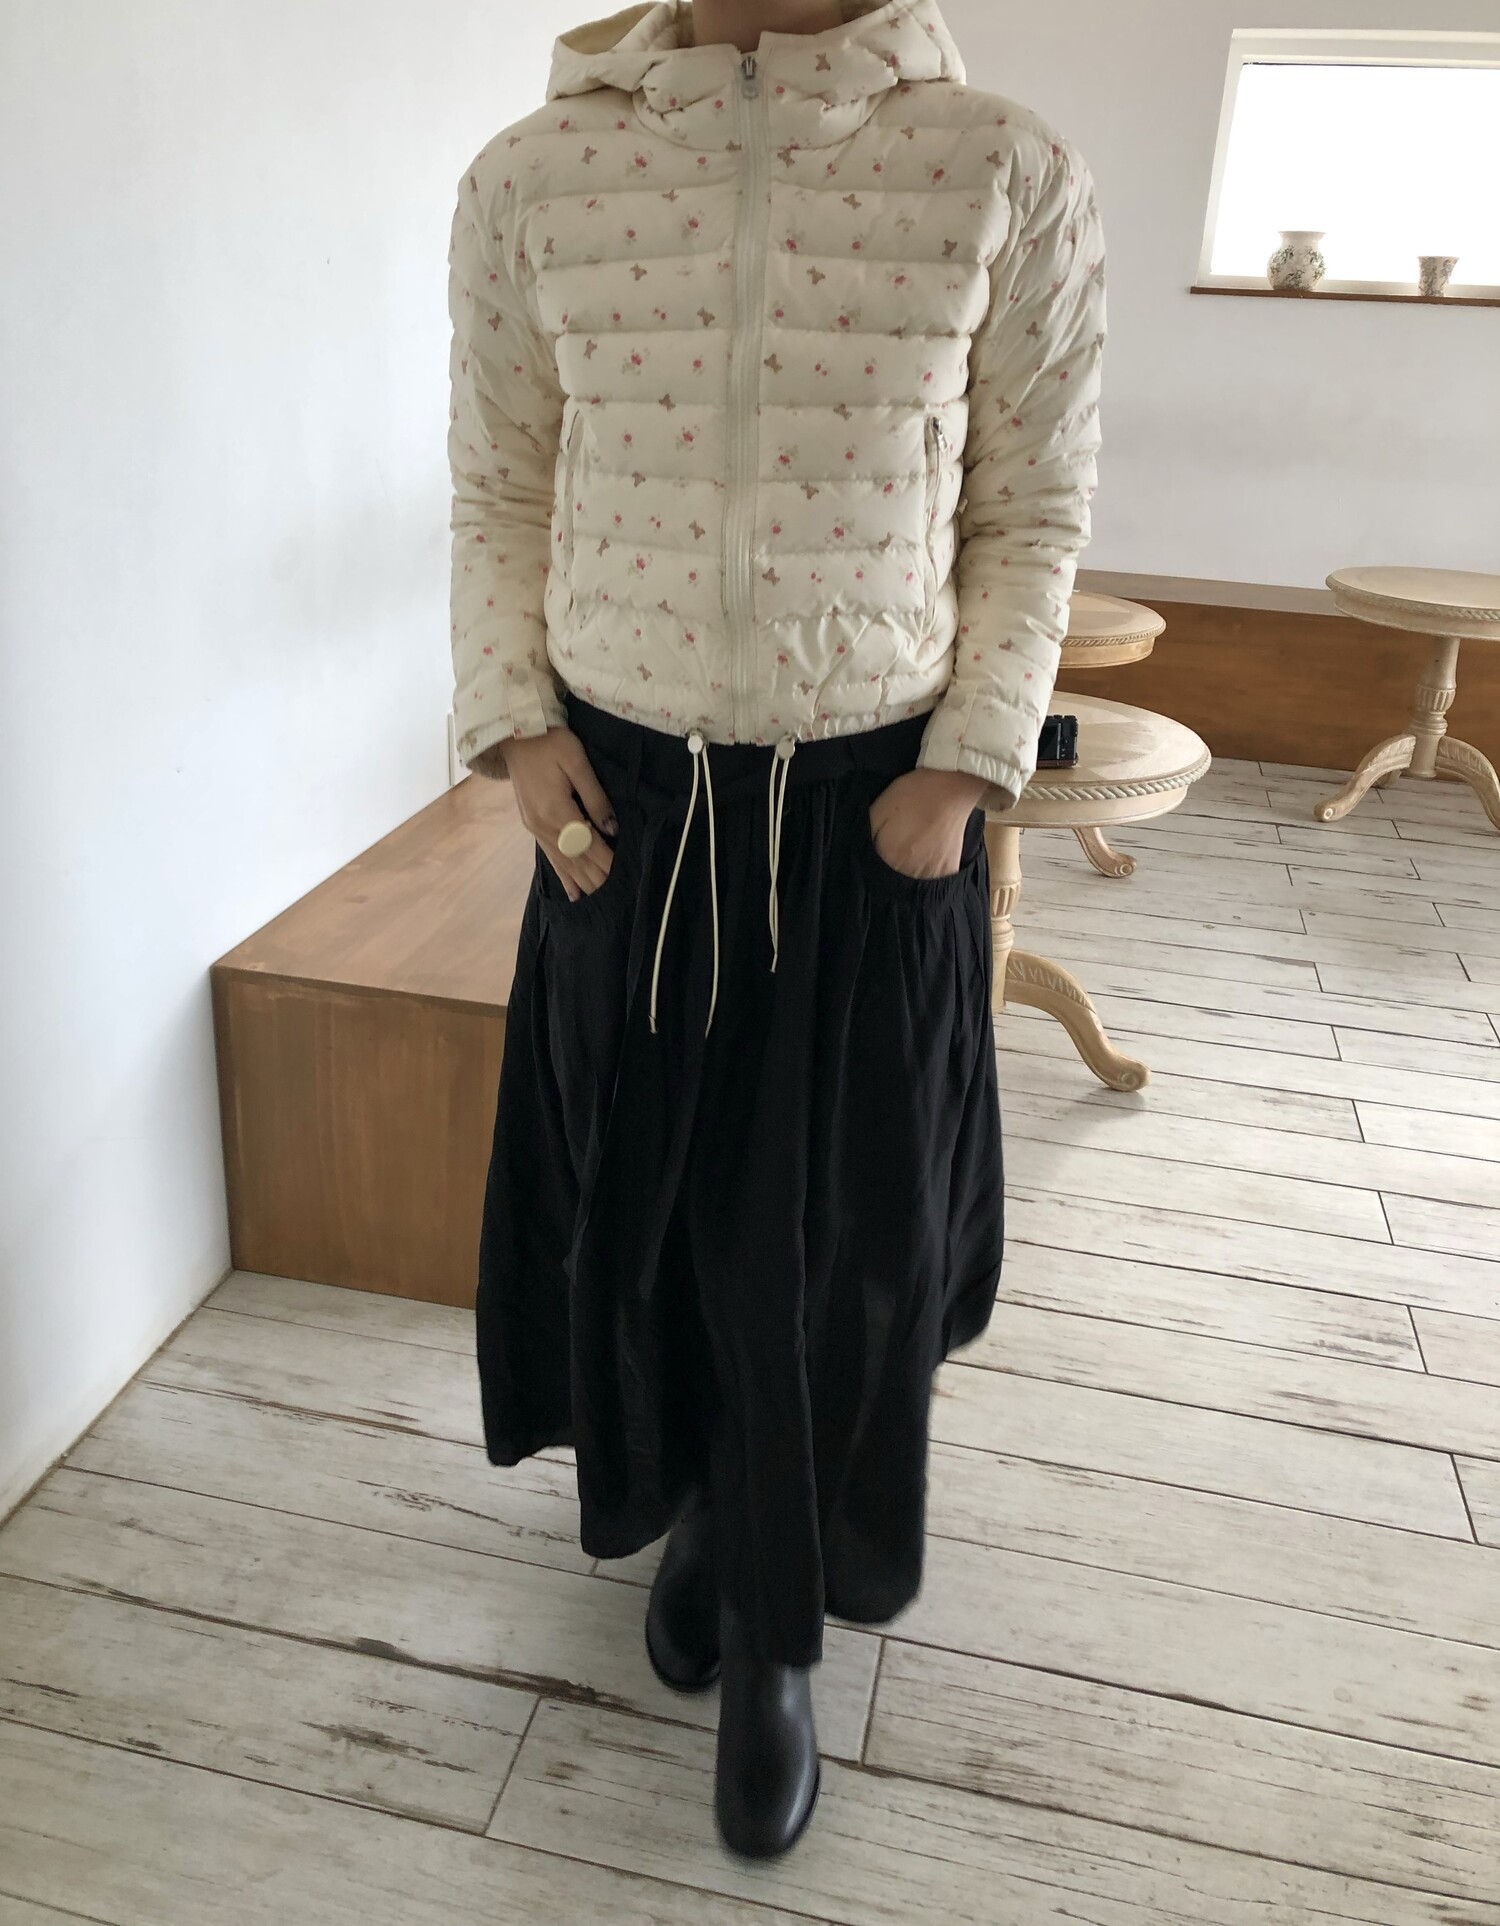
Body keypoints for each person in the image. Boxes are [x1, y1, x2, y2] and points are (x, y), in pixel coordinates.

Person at [447, 0, 1105, 1860]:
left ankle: (776, 1632)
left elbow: (1031, 507)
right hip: (625, 803)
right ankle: (702, 1509)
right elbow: (499, 485)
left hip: (874, 803)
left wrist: (963, 774)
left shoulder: (1003, 170)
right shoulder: (534, 177)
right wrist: (517, 728)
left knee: (838, 1230)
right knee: (643, 1199)